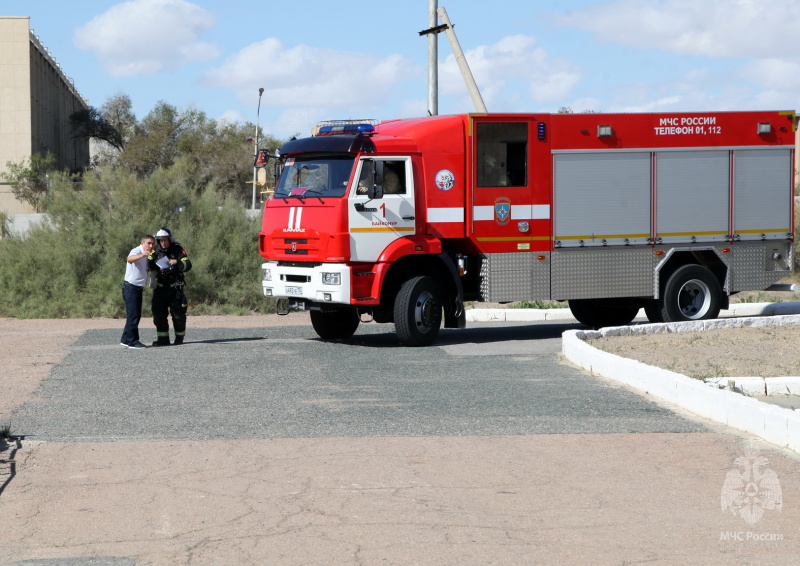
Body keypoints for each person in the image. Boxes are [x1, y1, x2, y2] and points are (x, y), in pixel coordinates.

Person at [148, 227, 192, 346]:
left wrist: (177, 262)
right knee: (158, 314)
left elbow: (188, 264)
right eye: (160, 240)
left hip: (175, 288)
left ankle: (179, 338)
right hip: (160, 288)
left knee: (178, 314)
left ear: (170, 239)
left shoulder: (177, 249)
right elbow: (148, 263)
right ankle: (163, 339)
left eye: (165, 240)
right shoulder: (155, 250)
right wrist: (153, 264)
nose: (163, 242)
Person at [120, 234, 155, 349]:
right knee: (134, 315)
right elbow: (129, 259)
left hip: (137, 288)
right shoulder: (136, 251)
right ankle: (133, 341)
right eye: (148, 243)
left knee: (133, 315)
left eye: (152, 243)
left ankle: (125, 339)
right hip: (131, 288)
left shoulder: (148, 254)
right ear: (142, 243)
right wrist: (142, 255)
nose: (151, 245)